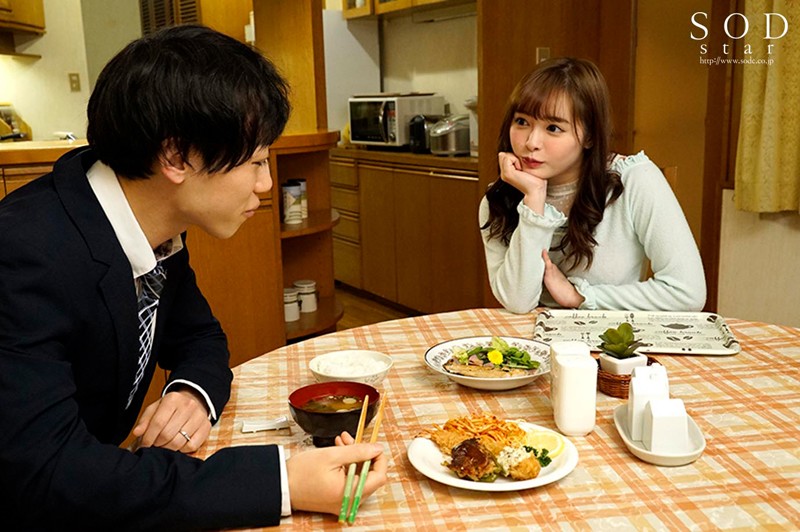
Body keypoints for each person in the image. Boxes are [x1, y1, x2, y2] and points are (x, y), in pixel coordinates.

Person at [0, 25, 386, 530]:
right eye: (256, 161)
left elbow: (200, 336)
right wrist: (283, 483)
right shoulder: (24, 253)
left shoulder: (150, 224)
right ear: (177, 157)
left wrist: (190, 392)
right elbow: (47, 472)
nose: (266, 184)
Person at [479, 57, 706, 313]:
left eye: (553, 128)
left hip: (612, 335)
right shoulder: (499, 199)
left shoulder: (634, 179)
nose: (531, 142)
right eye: (522, 122)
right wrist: (534, 199)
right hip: (532, 336)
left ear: (589, 136)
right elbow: (518, 303)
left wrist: (581, 297)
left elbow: (687, 292)